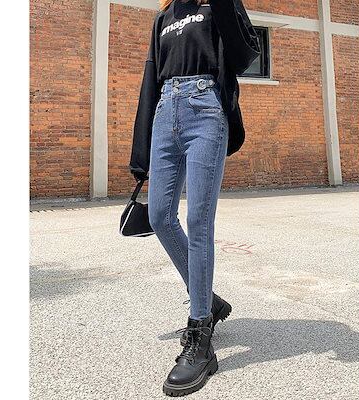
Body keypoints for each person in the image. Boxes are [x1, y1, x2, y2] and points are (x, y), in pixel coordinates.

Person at [129, 0, 260, 396]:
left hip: (205, 110)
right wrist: (140, 156)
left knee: (199, 221)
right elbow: (150, 80)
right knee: (159, 216)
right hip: (165, 110)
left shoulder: (217, 5)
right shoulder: (164, 17)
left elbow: (244, 56)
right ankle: (210, 300)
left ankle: (200, 332)